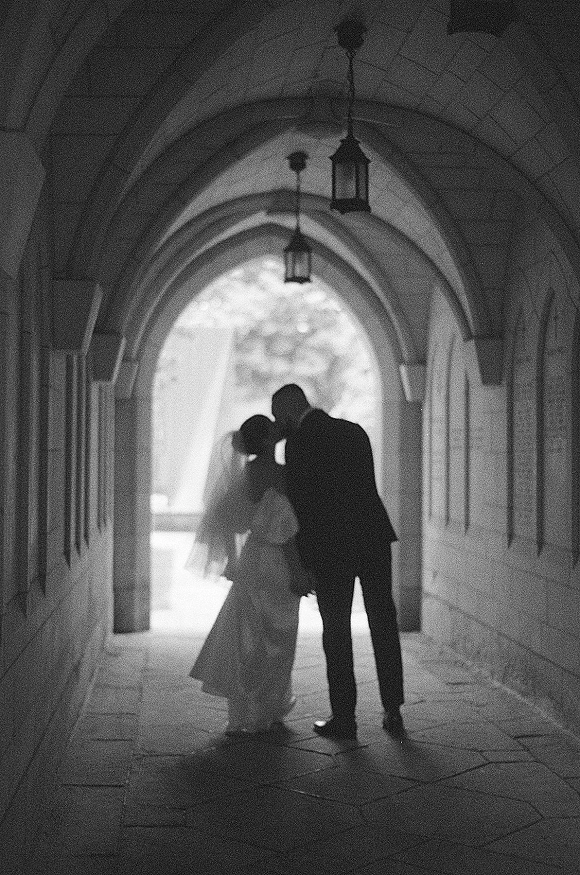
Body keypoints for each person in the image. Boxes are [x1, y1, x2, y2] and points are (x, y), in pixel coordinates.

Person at [271, 383, 405, 739]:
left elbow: (303, 506)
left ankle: (344, 717)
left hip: (332, 549)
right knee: (383, 620)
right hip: (373, 538)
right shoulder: (354, 431)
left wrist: (304, 562)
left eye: (277, 416)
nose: (277, 423)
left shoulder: (297, 444)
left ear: (288, 412)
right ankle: (393, 710)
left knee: (337, 630)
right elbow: (365, 487)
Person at [188, 414, 312, 735]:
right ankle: (269, 706)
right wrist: (299, 571)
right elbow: (284, 531)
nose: (279, 427)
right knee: (279, 634)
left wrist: (232, 558)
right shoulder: (280, 475)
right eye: (273, 427)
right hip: (278, 562)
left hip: (252, 559)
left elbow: (225, 519)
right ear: (268, 440)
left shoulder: (245, 475)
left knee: (249, 632)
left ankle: (245, 708)